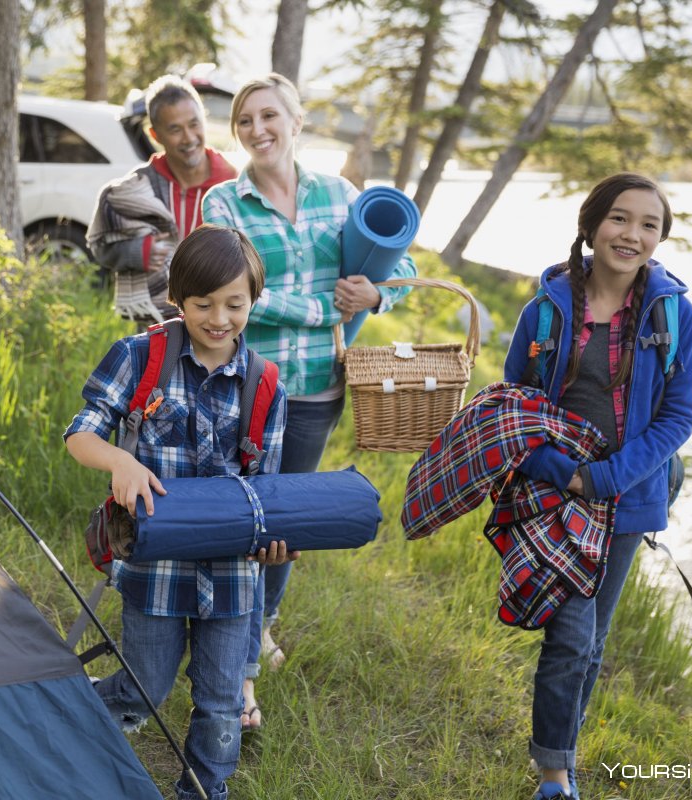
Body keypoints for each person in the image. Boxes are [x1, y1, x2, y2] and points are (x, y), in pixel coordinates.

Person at [202, 72, 415, 730]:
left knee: (286, 529)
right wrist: (326, 307)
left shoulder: (338, 193)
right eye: (245, 120)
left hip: (318, 390)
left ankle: (259, 625)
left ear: (296, 122)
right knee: (243, 523)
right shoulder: (223, 204)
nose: (258, 129)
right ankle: (236, 679)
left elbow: (400, 266)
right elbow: (236, 291)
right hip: (244, 388)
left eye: (270, 116)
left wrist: (377, 297)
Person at [64, 225, 295, 800]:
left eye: (234, 304)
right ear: (176, 297)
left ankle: (203, 790)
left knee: (220, 704)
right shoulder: (141, 357)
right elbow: (81, 433)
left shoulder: (265, 384)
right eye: (203, 304)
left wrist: (275, 540)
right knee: (144, 689)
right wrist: (119, 459)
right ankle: (67, 718)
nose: (220, 318)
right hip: (156, 571)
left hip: (233, 575)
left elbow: (267, 488)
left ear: (252, 301)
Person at [503, 173, 692, 800]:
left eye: (649, 225)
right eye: (620, 218)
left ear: (660, 239)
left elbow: (679, 417)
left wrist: (606, 477)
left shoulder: (673, 314)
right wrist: (563, 473)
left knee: (591, 642)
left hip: (631, 496)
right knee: (569, 635)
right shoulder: (547, 308)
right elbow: (515, 404)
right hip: (555, 495)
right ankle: (555, 776)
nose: (632, 234)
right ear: (590, 225)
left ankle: (565, 753)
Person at [87, 75, 238, 325]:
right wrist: (137, 252)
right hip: (157, 324)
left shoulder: (232, 182)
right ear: (155, 135)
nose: (189, 137)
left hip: (220, 323)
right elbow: (100, 246)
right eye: (175, 129)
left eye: (194, 124)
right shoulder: (137, 188)